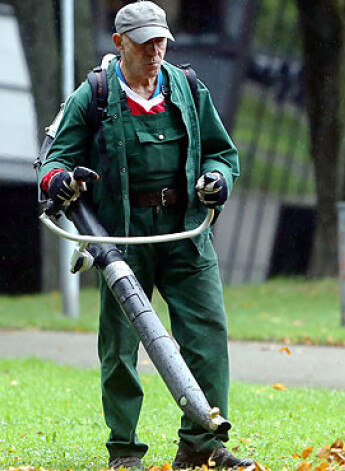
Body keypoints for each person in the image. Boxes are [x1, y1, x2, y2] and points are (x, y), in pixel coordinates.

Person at [38, 1, 251, 469]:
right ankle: (125, 451)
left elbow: (223, 153)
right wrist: (63, 181)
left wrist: (217, 182)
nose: (157, 52)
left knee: (207, 337)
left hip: (187, 236)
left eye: (162, 42)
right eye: (145, 43)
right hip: (122, 242)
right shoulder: (93, 94)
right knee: (121, 347)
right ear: (120, 43)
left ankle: (202, 444)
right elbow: (52, 162)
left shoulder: (188, 87)